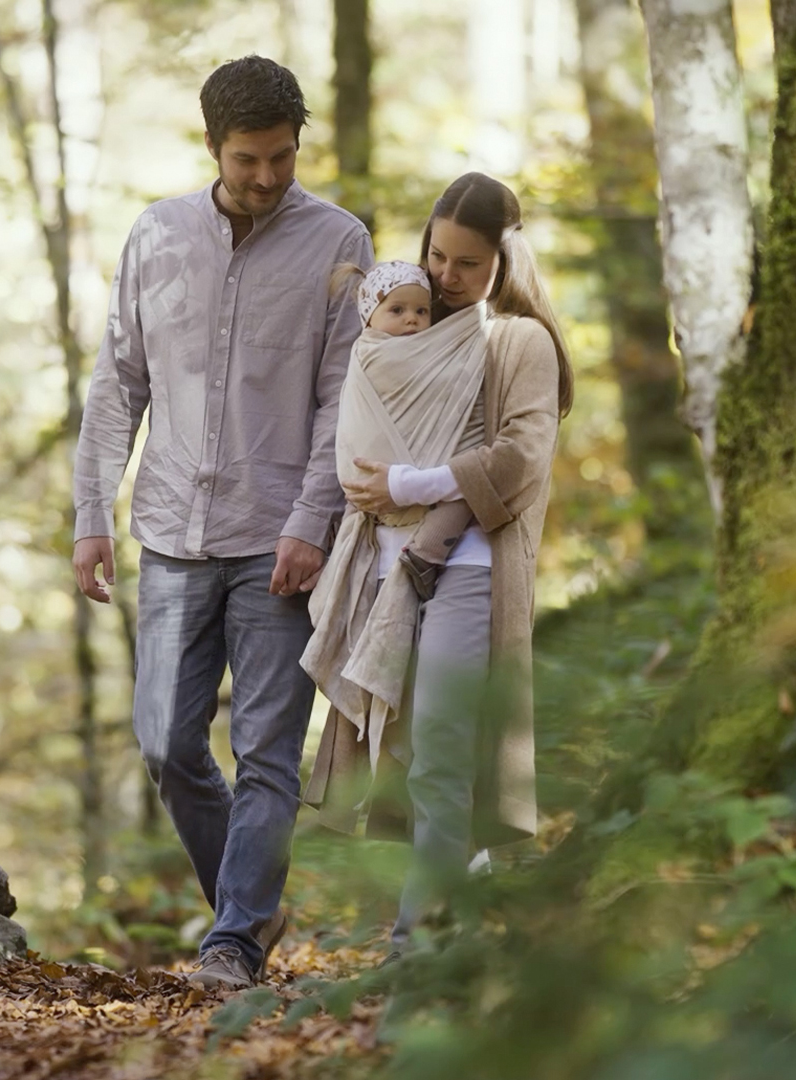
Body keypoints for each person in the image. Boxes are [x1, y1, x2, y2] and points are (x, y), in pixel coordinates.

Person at [71, 56, 372, 991]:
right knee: (164, 740)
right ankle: (250, 905)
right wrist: (93, 514)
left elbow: (343, 402)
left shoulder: (339, 242)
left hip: (280, 536)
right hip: (170, 532)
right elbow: (119, 381)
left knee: (269, 750)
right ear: (213, 147)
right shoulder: (156, 237)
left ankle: (234, 943)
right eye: (249, 159)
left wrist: (312, 521)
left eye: (283, 157)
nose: (268, 177)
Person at [302, 172, 572, 961]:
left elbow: (519, 456)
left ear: (503, 263)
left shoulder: (517, 340)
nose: (447, 278)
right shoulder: (407, 326)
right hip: (386, 568)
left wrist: (406, 486)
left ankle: (416, 941)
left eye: (468, 265)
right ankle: (460, 910)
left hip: (471, 566)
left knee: (445, 749)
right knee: (405, 754)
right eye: (438, 257)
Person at [327, 259, 479, 601]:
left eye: (422, 311)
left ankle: (429, 550)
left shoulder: (434, 352)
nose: (412, 318)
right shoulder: (370, 353)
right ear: (369, 317)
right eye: (397, 310)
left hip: (422, 492)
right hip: (378, 494)